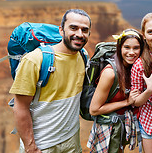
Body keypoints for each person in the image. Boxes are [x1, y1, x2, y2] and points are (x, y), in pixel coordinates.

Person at [9, 9, 91, 153]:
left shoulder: (83, 57)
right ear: (61, 30)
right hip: (42, 146)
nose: (79, 34)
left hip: (72, 142)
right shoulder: (35, 60)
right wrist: (30, 147)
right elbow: (20, 107)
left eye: (85, 30)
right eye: (73, 28)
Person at [87, 29, 145, 153]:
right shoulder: (110, 73)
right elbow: (94, 109)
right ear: (120, 48)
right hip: (107, 130)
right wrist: (127, 102)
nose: (131, 52)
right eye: (127, 47)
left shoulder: (133, 68)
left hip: (120, 128)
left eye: (136, 48)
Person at [131, 12, 152, 153]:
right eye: (151, 32)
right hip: (149, 120)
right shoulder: (139, 65)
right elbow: (135, 101)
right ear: (144, 35)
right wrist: (149, 90)